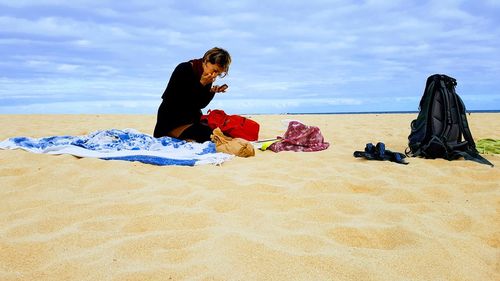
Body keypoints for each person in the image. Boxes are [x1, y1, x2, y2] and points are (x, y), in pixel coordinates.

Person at [153, 47, 231, 142]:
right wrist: (201, 83)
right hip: (172, 120)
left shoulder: (207, 77)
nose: (214, 75)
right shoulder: (184, 68)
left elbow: (200, 104)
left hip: (191, 119)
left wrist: (211, 92)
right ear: (207, 59)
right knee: (207, 134)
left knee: (217, 131)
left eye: (218, 74)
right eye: (214, 70)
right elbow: (176, 100)